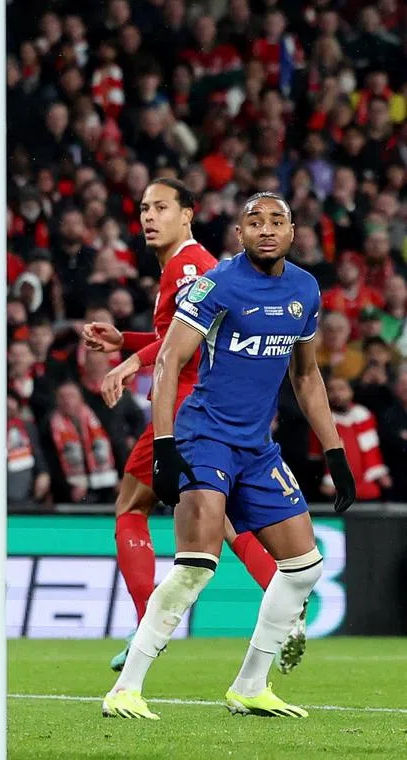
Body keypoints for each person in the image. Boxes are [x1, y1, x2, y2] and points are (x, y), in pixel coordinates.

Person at [102, 192, 357, 720]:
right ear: (239, 233)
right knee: (197, 565)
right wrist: (167, 445)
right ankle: (126, 688)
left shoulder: (304, 289)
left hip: (256, 448)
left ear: (293, 231)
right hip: (204, 436)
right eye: (254, 222)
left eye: (277, 221)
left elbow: (306, 376)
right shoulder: (216, 283)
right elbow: (170, 359)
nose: (266, 230)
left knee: (304, 567)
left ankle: (249, 685)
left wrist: (335, 453)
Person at [82, 179, 290, 672]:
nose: (149, 217)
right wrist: (127, 339)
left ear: (188, 215)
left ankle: (143, 627)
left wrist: (131, 362)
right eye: (143, 208)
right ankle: (285, 606)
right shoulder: (183, 266)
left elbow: (188, 339)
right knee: (226, 517)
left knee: (131, 507)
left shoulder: (190, 265)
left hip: (188, 405)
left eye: (161, 207)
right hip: (209, 406)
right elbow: (174, 332)